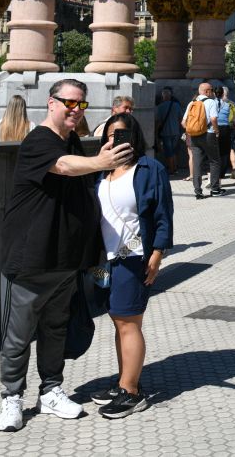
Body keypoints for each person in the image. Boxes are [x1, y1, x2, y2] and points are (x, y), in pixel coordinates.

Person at [0, 78, 129, 432]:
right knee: (18, 335)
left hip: (63, 261)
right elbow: (65, 167)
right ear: (50, 103)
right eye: (69, 103)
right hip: (29, 261)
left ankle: (51, 390)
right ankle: (11, 398)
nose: (75, 110)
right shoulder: (38, 140)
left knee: (55, 330)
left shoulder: (68, 139)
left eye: (81, 104)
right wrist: (101, 161)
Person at [88, 112, 173, 419]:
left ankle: (132, 392)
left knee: (129, 321)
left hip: (132, 258)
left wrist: (157, 254)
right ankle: (124, 380)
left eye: (121, 134)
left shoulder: (150, 169)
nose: (115, 140)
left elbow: (163, 214)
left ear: (134, 137)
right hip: (103, 262)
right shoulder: (101, 170)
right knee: (116, 318)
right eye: (109, 135)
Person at [183, 83, 223, 198]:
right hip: (209, 134)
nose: (212, 93)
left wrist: (192, 130)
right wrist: (216, 131)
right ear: (207, 91)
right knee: (214, 161)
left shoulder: (192, 103)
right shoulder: (211, 102)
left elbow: (183, 121)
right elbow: (213, 118)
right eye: (211, 90)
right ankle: (215, 189)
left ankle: (198, 191)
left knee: (197, 163)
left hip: (194, 136)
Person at [154, 87, 184, 178]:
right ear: (170, 96)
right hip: (176, 132)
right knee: (174, 151)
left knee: (169, 152)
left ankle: (172, 170)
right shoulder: (177, 105)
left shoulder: (160, 107)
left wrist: (155, 131)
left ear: (163, 97)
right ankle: (175, 168)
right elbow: (181, 119)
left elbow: (158, 121)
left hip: (166, 132)